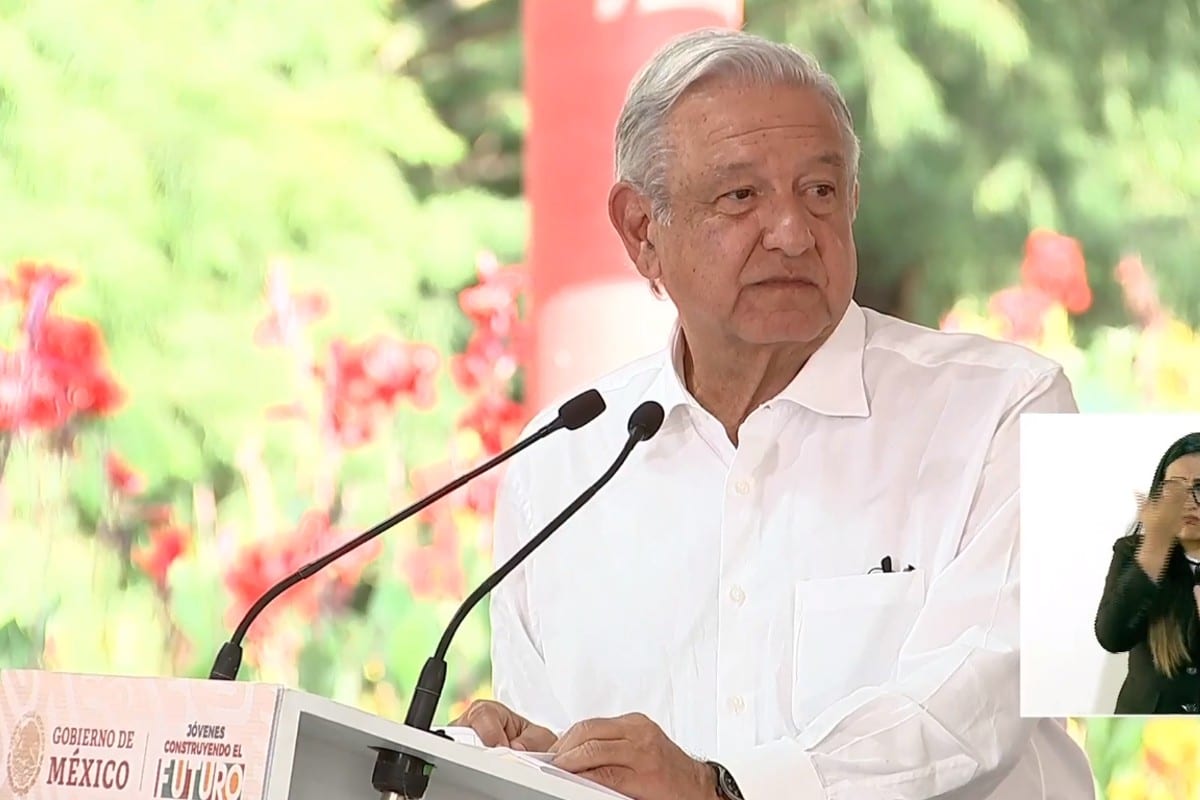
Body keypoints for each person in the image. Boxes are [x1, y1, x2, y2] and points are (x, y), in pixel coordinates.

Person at [452, 28, 1095, 800]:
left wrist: (722, 789)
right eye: (741, 196)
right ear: (641, 230)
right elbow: (564, 764)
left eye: (820, 192)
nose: (792, 233)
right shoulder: (560, 459)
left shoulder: (1015, 409)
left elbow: (976, 711)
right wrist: (527, 761)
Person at [1095, 433, 1200, 714]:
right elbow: (1112, 637)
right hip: (1147, 729)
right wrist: (1155, 549)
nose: (1188, 502)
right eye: (1174, 489)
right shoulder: (1135, 552)